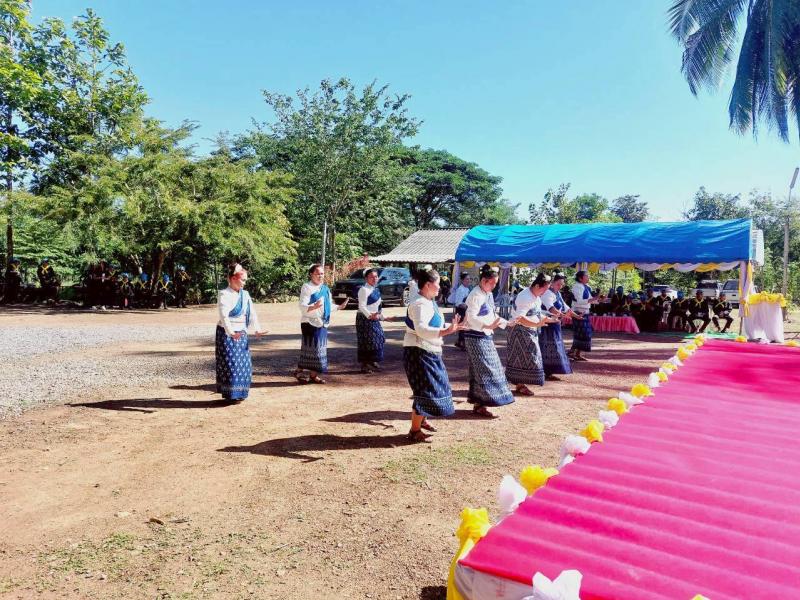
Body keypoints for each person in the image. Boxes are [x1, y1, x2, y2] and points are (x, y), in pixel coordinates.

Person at [402, 267, 464, 442]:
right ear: (428, 285)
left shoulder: (429, 302)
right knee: (425, 390)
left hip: (429, 350)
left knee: (433, 387)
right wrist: (446, 331)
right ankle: (414, 431)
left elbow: (433, 327)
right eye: (438, 284)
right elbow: (422, 330)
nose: (440, 287)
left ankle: (422, 420)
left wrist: (451, 328)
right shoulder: (419, 304)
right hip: (418, 352)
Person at [463, 264, 513, 418]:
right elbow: (471, 317)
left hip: (483, 334)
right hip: (475, 336)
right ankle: (482, 402)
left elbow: (491, 315)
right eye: (492, 283)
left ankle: (479, 404)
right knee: (486, 369)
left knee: (482, 369)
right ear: (484, 281)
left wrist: (506, 322)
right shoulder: (476, 295)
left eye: (495, 283)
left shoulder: (486, 294)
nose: (494, 286)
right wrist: (486, 325)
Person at [216, 263, 267, 402]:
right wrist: (231, 332)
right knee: (231, 364)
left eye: (245, 280)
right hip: (227, 334)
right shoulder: (224, 294)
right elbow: (224, 316)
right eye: (243, 280)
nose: (244, 283)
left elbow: (252, 313)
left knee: (244, 365)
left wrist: (257, 329)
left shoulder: (245, 294)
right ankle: (231, 394)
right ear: (233, 278)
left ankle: (241, 393)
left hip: (241, 333)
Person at [505, 273, 557, 396]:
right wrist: (537, 324)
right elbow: (520, 318)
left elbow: (536, 314)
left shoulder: (536, 297)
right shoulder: (525, 296)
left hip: (529, 330)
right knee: (524, 358)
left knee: (527, 358)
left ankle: (520, 384)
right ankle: (520, 384)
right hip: (519, 331)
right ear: (537, 286)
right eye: (544, 289)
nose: (545, 292)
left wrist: (551, 319)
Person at [295, 264, 348, 384]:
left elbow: (327, 305)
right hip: (309, 323)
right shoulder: (307, 287)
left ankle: (313, 376)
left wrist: (339, 306)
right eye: (317, 273)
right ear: (311, 274)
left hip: (322, 323)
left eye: (322, 273)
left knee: (320, 351)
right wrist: (313, 306)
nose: (320, 276)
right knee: (310, 350)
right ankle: (298, 371)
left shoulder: (325, 288)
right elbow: (302, 306)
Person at [540, 273, 581, 380]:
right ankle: (545, 372)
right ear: (552, 283)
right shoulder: (547, 293)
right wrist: (563, 315)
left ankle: (549, 372)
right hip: (547, 324)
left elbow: (566, 307)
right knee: (547, 347)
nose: (560, 286)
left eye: (562, 284)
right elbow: (551, 308)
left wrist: (576, 316)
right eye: (558, 284)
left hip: (555, 323)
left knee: (554, 347)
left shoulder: (557, 293)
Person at [356, 268, 393, 373]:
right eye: (371, 277)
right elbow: (362, 306)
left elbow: (377, 308)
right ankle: (365, 365)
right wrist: (369, 315)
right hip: (364, 318)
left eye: (376, 277)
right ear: (366, 278)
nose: (374, 279)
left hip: (374, 317)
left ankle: (372, 361)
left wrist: (383, 317)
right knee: (367, 341)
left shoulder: (376, 289)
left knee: (379, 338)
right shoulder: (363, 290)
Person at [569, 270, 598, 361]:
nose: (588, 277)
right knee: (582, 334)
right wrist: (593, 299)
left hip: (585, 312)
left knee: (584, 334)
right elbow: (580, 301)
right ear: (580, 278)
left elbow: (590, 300)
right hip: (578, 312)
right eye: (586, 276)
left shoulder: (586, 287)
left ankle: (576, 353)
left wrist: (599, 300)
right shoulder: (577, 286)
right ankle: (573, 352)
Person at [451, 272, 472, 351]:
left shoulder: (467, 289)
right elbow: (458, 303)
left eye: (469, 279)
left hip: (465, 310)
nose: (468, 280)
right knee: (463, 327)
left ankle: (460, 342)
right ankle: (462, 344)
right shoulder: (460, 289)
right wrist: (467, 306)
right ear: (462, 280)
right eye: (467, 279)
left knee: (464, 327)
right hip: (461, 310)